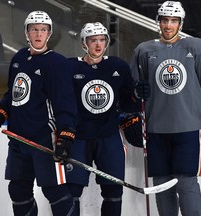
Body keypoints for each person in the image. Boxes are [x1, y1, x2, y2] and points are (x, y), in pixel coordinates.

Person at [0, 11, 77, 216]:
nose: (38, 34)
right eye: (34, 30)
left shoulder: (57, 63)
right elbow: (13, 96)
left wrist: (65, 136)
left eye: (43, 30)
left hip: (44, 139)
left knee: (54, 192)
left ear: (49, 34)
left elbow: (64, 103)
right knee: (18, 190)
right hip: (18, 139)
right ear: (26, 33)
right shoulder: (19, 58)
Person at [130, 1, 201, 216]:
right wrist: (132, 110)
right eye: (165, 20)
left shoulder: (196, 47)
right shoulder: (143, 50)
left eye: (173, 20)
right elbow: (132, 91)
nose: (168, 25)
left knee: (185, 182)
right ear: (158, 22)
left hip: (188, 127)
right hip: (155, 128)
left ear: (180, 23)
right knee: (162, 185)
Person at [65, 22, 148, 216]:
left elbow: (129, 104)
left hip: (108, 136)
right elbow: (61, 102)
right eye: (93, 40)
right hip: (79, 137)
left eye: (102, 40)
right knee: (72, 191)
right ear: (84, 43)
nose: (98, 45)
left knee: (113, 191)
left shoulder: (117, 66)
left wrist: (137, 95)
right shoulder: (69, 67)